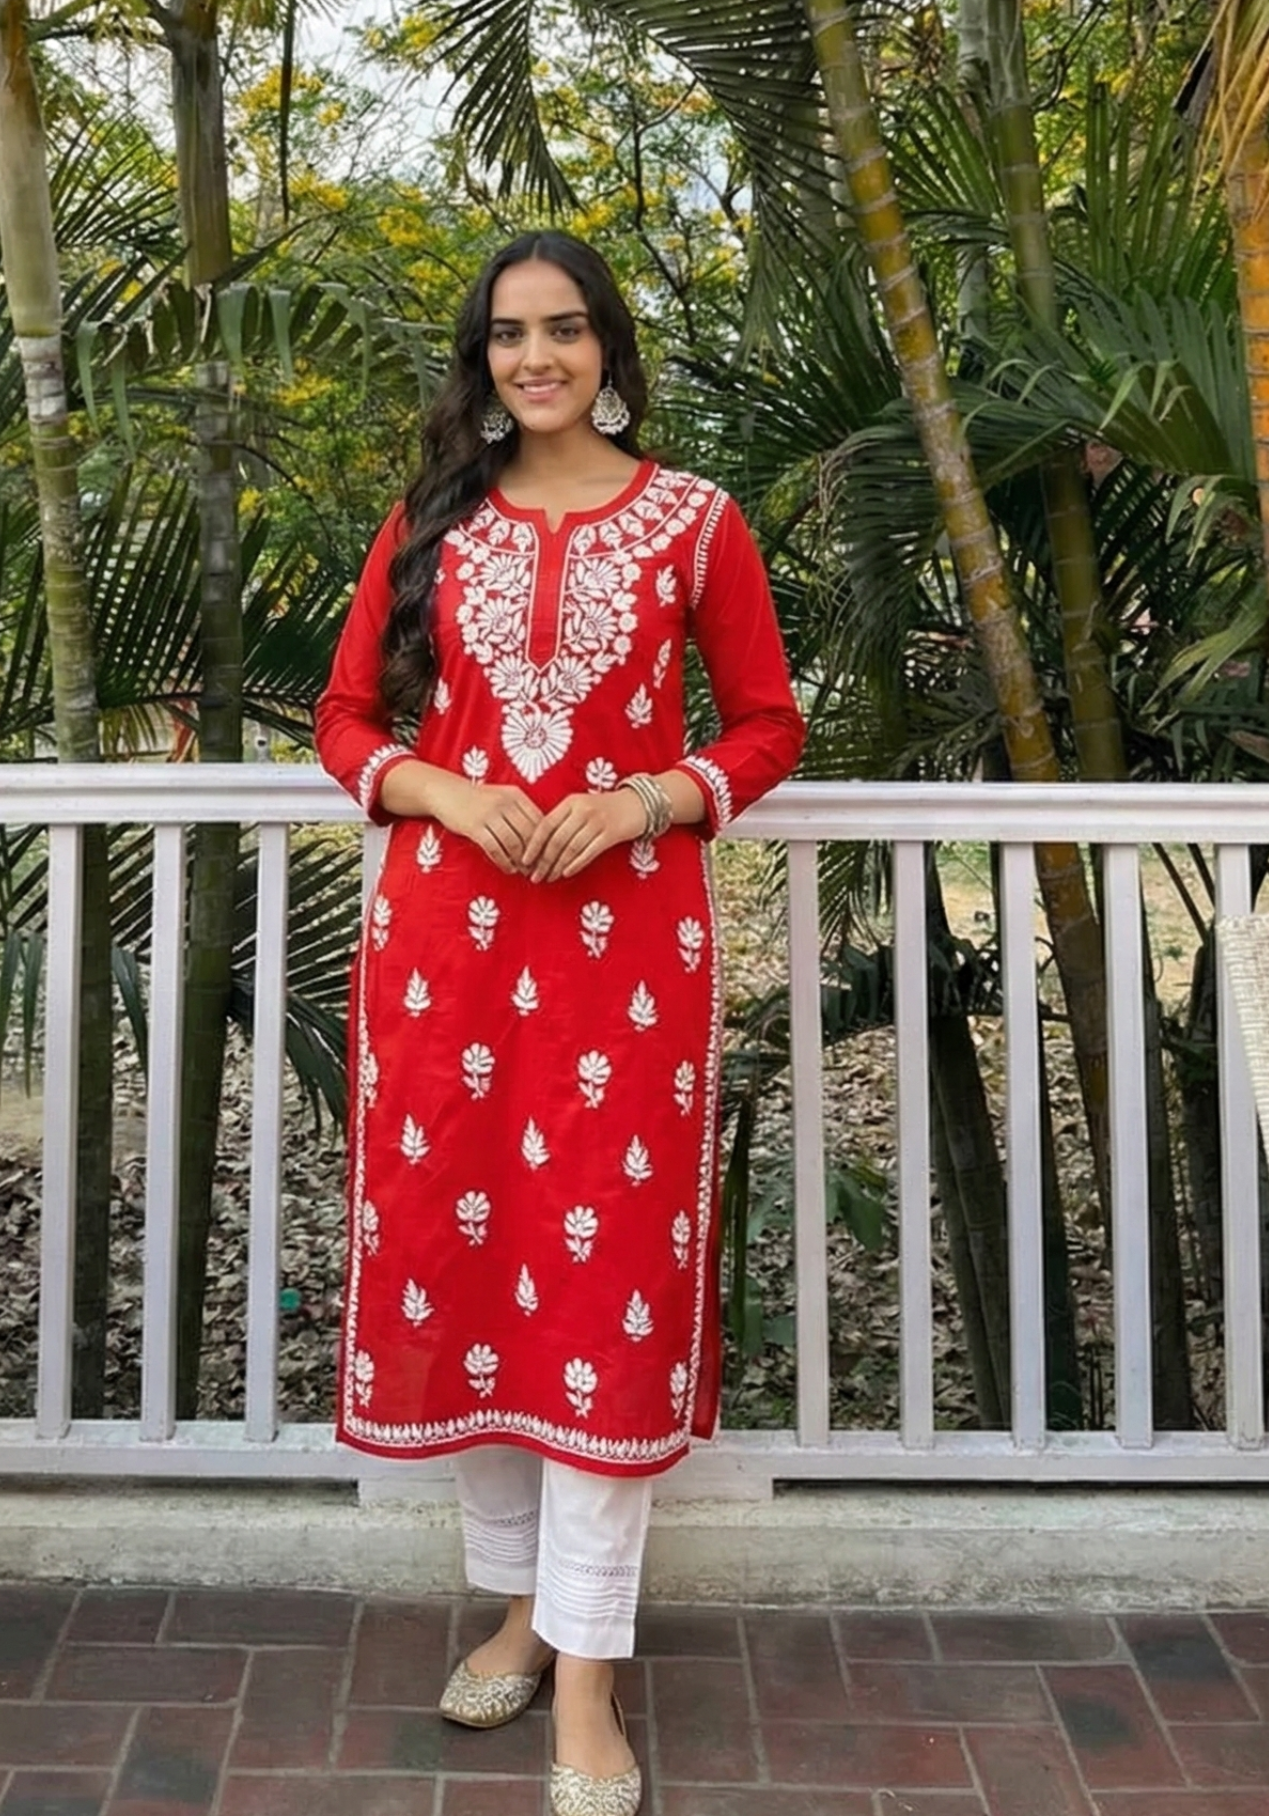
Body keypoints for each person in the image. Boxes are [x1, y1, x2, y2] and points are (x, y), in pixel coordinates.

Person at [316, 231, 804, 1816]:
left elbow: (768, 721)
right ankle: (523, 1610)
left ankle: (588, 1680)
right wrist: (450, 786)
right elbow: (344, 720)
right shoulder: (432, 521)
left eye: (567, 332)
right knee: (475, 1270)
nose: (538, 360)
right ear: (483, 358)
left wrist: (647, 801)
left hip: (622, 957)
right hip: (446, 954)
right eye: (511, 336)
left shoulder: (692, 523)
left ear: (608, 349)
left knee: (598, 1278)